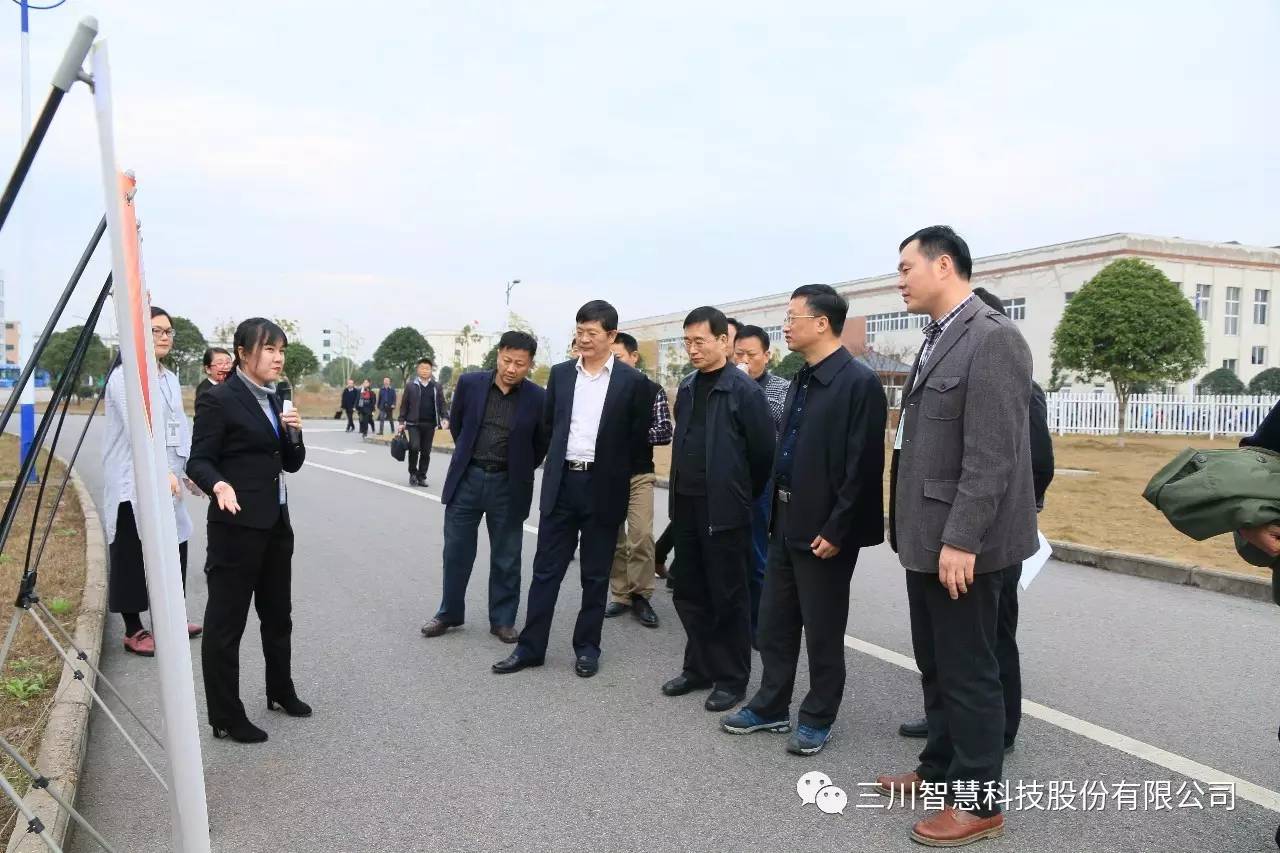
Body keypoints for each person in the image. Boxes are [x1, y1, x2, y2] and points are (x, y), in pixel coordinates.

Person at [875, 226, 1038, 847]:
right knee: (936, 663)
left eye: (906, 268)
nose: (899, 280)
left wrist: (962, 540)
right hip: (926, 537)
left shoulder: (993, 338)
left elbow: (993, 455)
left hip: (964, 545)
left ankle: (978, 801)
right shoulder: (938, 336)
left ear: (943, 265)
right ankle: (938, 768)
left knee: (970, 672)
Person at [721, 287, 887, 756]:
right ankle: (771, 706)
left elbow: (863, 466)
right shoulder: (802, 377)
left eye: (793, 317)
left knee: (822, 629)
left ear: (821, 323)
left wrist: (838, 529)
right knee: (775, 623)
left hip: (825, 529)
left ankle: (817, 717)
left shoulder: (858, 383)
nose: (786, 326)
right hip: (785, 518)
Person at [897, 286, 1055, 750]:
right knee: (945, 656)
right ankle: (945, 750)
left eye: (908, 267)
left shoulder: (998, 349)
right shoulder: (933, 346)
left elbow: (1010, 459)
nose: (901, 280)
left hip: (985, 535)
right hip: (937, 529)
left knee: (982, 653)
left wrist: (979, 530)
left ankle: (989, 758)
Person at [492, 300, 651, 679]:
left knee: (594, 576)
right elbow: (549, 427)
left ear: (611, 335)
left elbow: (636, 440)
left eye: (592, 333)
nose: (584, 339)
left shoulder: (633, 382)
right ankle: (530, 648)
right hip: (562, 484)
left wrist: (614, 477)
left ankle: (587, 648)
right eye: (579, 332)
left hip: (603, 488)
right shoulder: (562, 375)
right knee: (545, 571)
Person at [188, 317, 309, 745]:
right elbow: (198, 460)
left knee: (278, 615)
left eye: (282, 350)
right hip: (235, 527)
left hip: (275, 523)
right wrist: (218, 485)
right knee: (226, 624)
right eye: (269, 349)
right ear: (242, 353)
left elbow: (291, 462)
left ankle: (280, 689)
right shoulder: (219, 399)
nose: (278, 358)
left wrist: (294, 432)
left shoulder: (277, 397)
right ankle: (226, 715)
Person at [661, 306, 774, 713]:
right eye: (687, 342)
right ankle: (698, 668)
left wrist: (737, 495)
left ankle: (731, 678)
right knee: (690, 591)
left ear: (724, 341)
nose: (692, 349)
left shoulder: (744, 391)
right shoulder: (689, 386)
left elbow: (763, 455)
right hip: (686, 506)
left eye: (700, 341)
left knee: (728, 597)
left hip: (725, 510)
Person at [421, 332, 548, 643]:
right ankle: (449, 613)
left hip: (508, 485)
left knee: (507, 557)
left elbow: (540, 444)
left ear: (530, 364)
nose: (511, 368)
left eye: (520, 363)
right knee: (456, 552)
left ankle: (502, 620)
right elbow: (459, 426)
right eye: (507, 360)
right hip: (468, 479)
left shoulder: (538, 397)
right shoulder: (470, 384)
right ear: (498, 355)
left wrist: (516, 468)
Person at [103, 307, 203, 656]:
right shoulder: (124, 378)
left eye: (168, 331)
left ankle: (171, 618)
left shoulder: (169, 378)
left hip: (169, 480)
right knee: (130, 552)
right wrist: (160, 471)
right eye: (156, 330)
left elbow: (179, 428)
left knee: (176, 544)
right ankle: (133, 628)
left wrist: (189, 471)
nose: (164, 337)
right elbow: (139, 431)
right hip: (132, 483)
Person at [604, 332, 672, 629]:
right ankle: (621, 594)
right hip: (607, 475)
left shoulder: (651, 390)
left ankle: (641, 595)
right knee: (614, 539)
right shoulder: (600, 389)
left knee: (641, 535)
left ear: (634, 357)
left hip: (640, 474)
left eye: (618, 357)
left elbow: (664, 431)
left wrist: (626, 434)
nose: (613, 363)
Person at [732, 324, 791, 637]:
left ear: (767, 356)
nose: (744, 360)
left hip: (762, 482)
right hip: (727, 481)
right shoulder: (724, 384)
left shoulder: (781, 389)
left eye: (751, 355)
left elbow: (785, 434)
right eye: (738, 354)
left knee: (758, 554)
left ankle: (760, 624)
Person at [398, 358, 449, 486]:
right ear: (418, 370)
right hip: (413, 423)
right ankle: (412, 473)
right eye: (422, 368)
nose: (425, 371)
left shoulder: (436, 386)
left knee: (426, 451)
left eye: (427, 368)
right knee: (414, 447)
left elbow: (442, 404)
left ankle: (421, 476)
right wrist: (401, 422)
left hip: (430, 424)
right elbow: (404, 405)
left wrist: (445, 418)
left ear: (431, 371)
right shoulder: (411, 386)